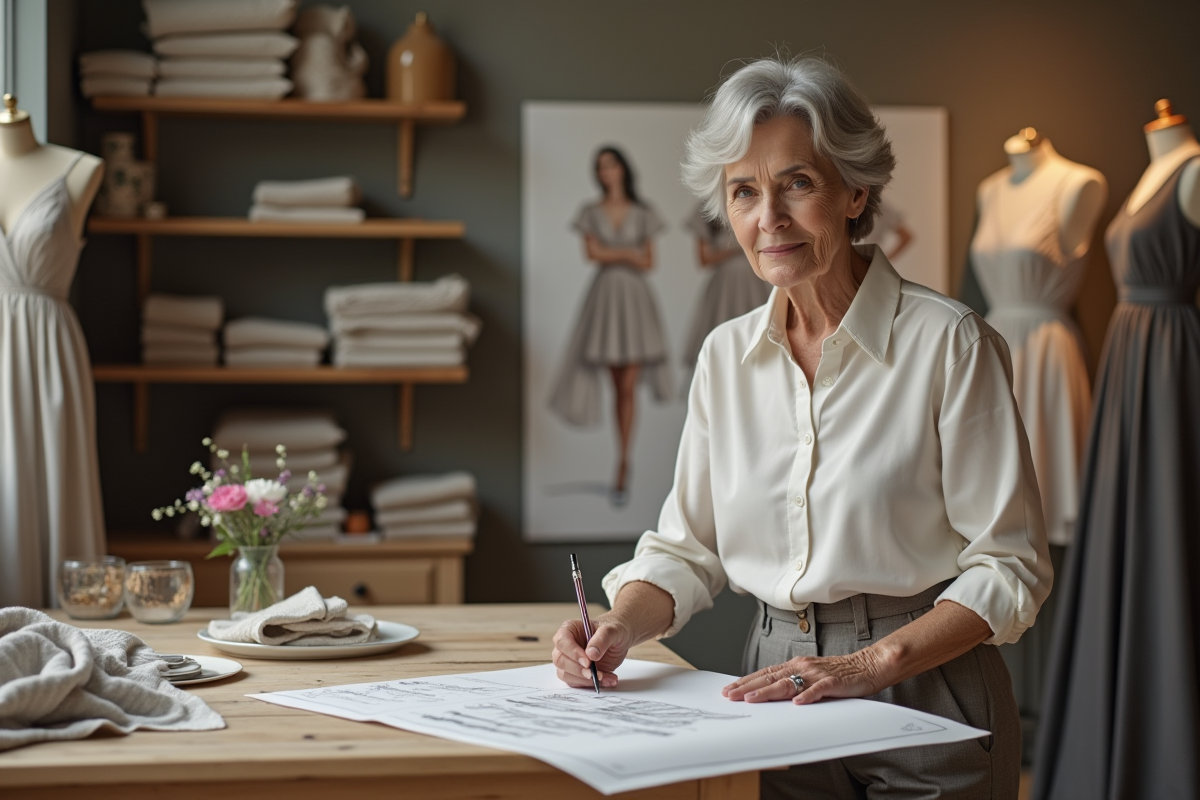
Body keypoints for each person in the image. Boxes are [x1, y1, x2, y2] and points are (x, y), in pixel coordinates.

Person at [552, 57, 1052, 799]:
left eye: (797, 183)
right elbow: (686, 549)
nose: (768, 219)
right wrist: (620, 625)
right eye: (744, 192)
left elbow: (1010, 566)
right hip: (774, 692)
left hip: (926, 690)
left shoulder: (951, 343)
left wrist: (870, 665)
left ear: (855, 191)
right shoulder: (725, 356)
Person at [548, 146, 671, 504]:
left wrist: (615, 252)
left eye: (611, 164)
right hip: (604, 299)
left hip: (634, 300)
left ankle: (623, 462)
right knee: (611, 380)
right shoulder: (590, 212)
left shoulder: (643, 212)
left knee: (628, 386)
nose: (606, 172)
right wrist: (627, 253)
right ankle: (619, 458)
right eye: (600, 167)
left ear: (623, 169)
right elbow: (592, 254)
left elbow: (648, 261)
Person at [681, 204, 771, 372]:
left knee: (755, 339)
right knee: (722, 344)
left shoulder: (757, 203)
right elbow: (704, 260)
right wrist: (738, 249)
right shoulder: (706, 209)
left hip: (753, 284)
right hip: (725, 288)